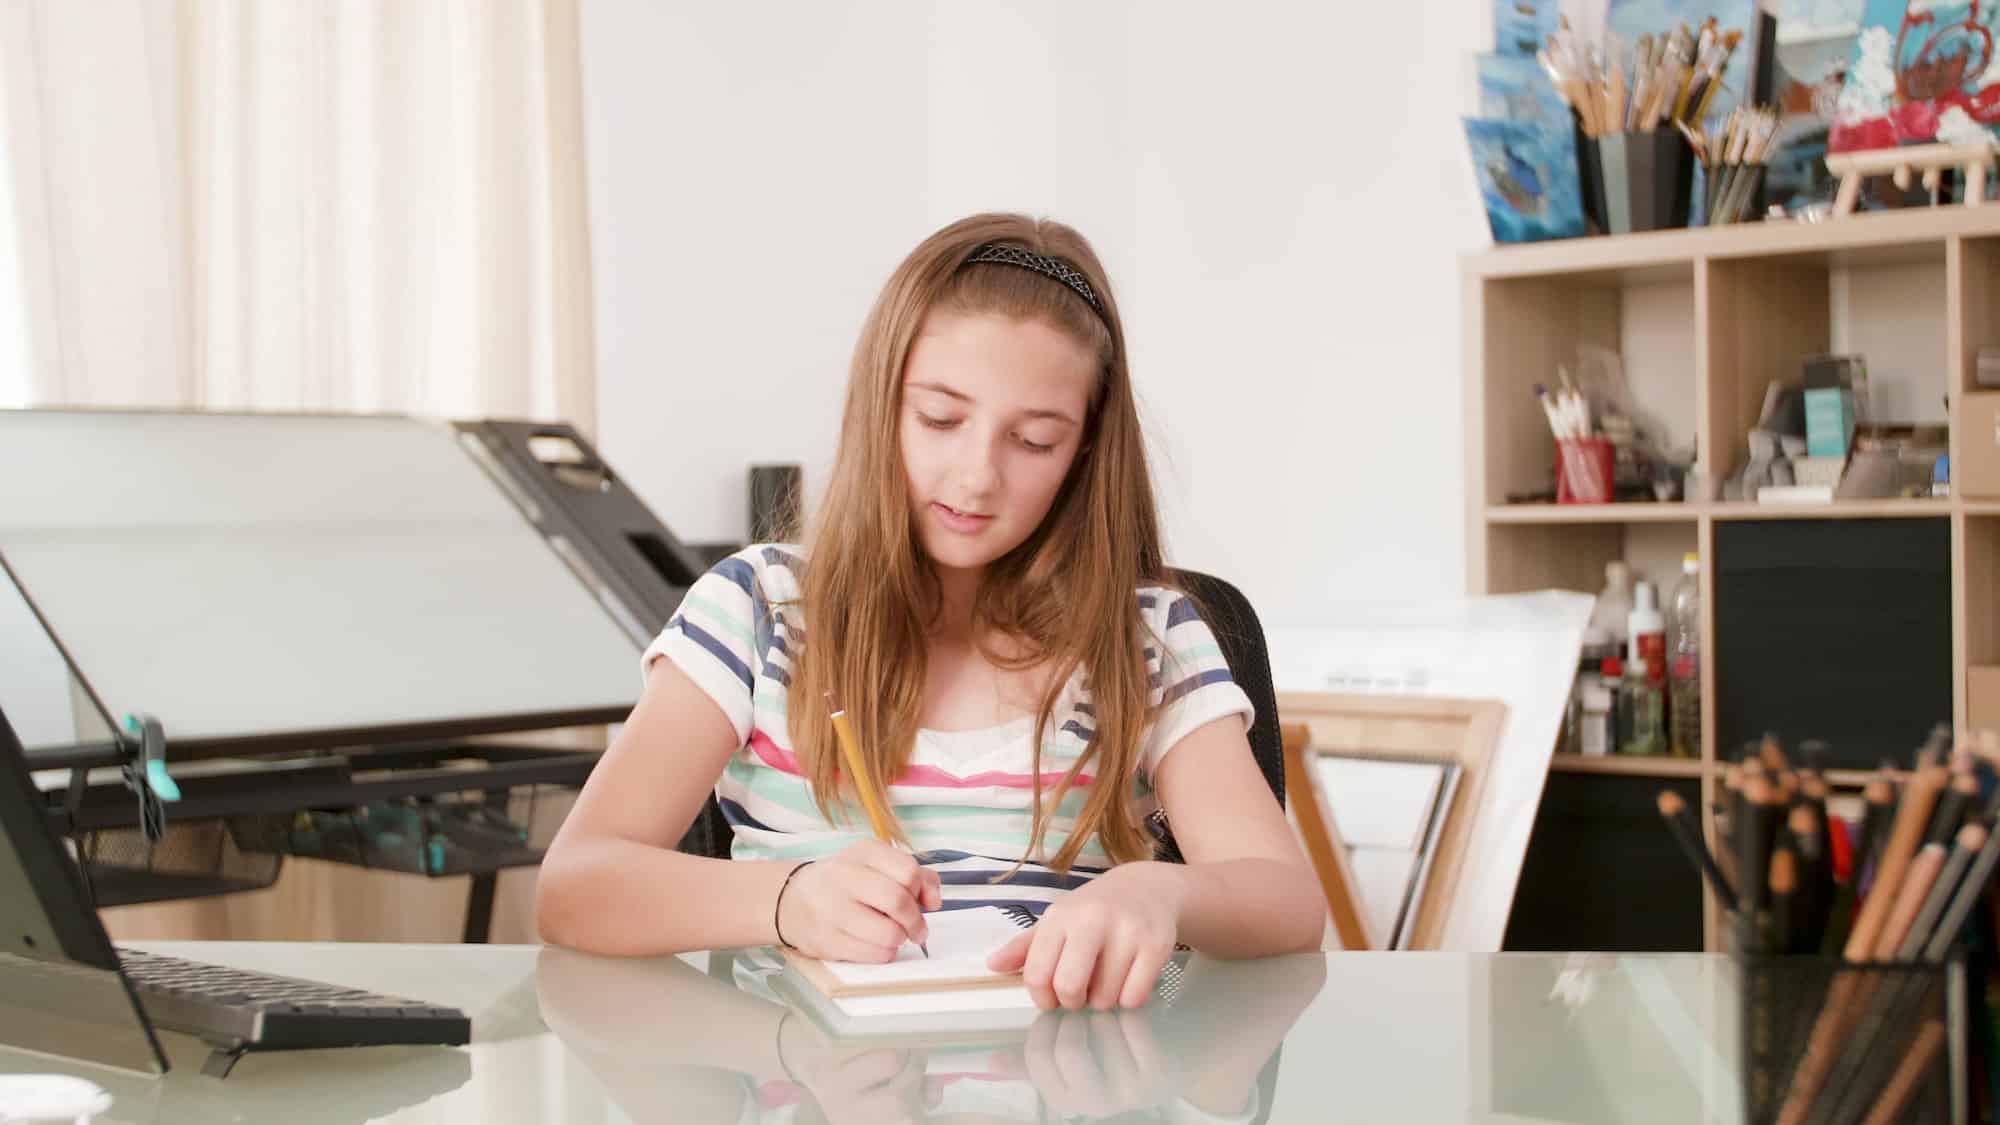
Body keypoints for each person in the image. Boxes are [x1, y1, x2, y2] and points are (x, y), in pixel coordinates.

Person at [536, 212, 1324, 1010]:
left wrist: (1164, 893)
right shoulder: (759, 609)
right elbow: (573, 884)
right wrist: (788, 898)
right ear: (882, 407)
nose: (976, 476)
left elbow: (1286, 900)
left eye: (1036, 440)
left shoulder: (1147, 638)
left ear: (1085, 449)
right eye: (941, 419)